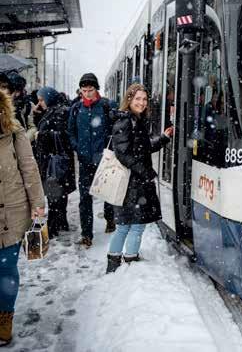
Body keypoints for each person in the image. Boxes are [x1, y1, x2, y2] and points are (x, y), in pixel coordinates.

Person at [106, 83, 173, 273]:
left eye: (144, 99)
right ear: (129, 100)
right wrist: (145, 172)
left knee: (130, 225)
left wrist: (163, 138)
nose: (142, 103)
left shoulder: (135, 120)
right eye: (138, 99)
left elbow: (142, 148)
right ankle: (124, 261)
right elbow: (123, 154)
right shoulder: (125, 121)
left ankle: (119, 261)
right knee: (130, 226)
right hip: (130, 183)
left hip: (134, 182)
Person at [0, 89, 45, 346]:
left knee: (5, 269)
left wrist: (38, 204)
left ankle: (4, 318)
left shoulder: (14, 133)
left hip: (13, 211)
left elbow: (29, 169)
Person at [68, 72, 116, 248]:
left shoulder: (105, 107)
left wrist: (107, 150)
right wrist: (77, 147)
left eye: (91, 90)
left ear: (96, 89)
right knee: (84, 198)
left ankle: (110, 219)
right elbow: (70, 131)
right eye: (84, 90)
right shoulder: (75, 109)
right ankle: (87, 234)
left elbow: (113, 131)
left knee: (107, 192)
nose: (88, 93)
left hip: (103, 159)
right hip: (84, 160)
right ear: (80, 90)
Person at [36, 87, 76, 238]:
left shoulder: (58, 113)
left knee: (54, 194)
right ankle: (61, 222)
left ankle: (53, 226)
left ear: (49, 98)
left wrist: (42, 134)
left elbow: (61, 135)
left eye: (41, 100)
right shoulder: (56, 110)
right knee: (60, 193)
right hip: (59, 160)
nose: (40, 103)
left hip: (55, 160)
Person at [8, 71, 37, 142]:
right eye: (12, 91)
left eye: (17, 91)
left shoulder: (27, 105)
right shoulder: (2, 104)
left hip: (22, 143)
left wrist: (24, 140)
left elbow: (32, 127)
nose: (14, 95)